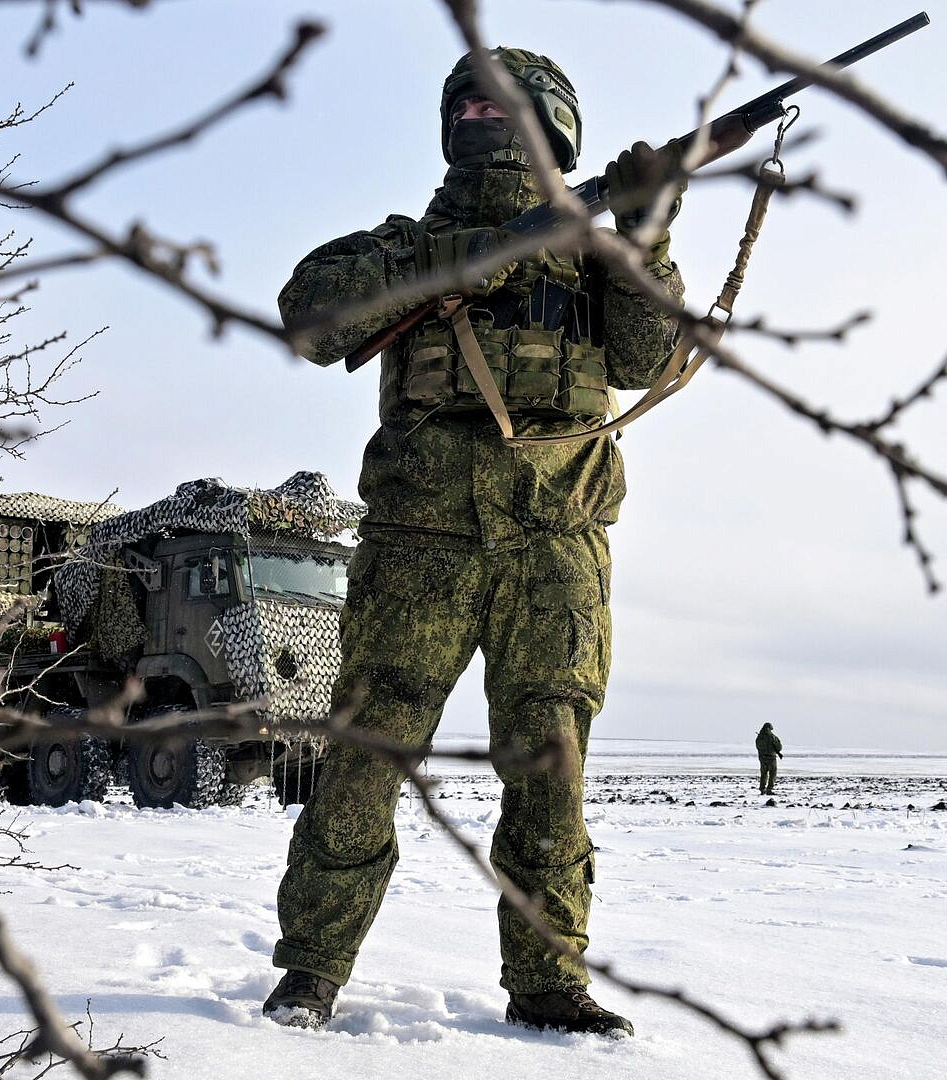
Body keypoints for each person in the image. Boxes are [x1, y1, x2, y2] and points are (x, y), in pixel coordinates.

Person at [262, 47, 686, 1037]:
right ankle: (314, 970)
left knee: (550, 764)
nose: (487, 124)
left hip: (557, 540)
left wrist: (645, 234)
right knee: (370, 754)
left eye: (505, 109)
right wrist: (439, 261)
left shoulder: (595, 255)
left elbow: (645, 355)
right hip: (425, 536)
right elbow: (306, 314)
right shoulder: (406, 246)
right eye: (476, 108)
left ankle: (544, 981)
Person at [756, 722, 784, 795]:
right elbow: (779, 747)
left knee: (764, 774)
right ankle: (769, 789)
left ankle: (762, 789)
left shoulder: (760, 737)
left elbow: (758, 747)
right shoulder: (773, 737)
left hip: (763, 758)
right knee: (772, 774)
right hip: (771, 758)